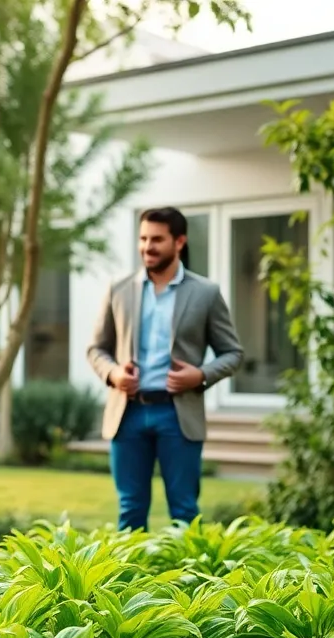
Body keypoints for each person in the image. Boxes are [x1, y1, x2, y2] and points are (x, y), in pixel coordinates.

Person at [87, 207, 244, 531]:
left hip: (178, 414)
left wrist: (199, 376)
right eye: (143, 239)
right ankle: (129, 581)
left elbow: (232, 353)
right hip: (127, 413)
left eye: (157, 239)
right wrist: (114, 374)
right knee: (130, 510)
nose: (148, 246)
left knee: (184, 510)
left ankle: (187, 581)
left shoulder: (205, 293)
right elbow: (96, 349)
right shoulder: (119, 289)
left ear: (180, 241)